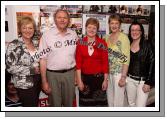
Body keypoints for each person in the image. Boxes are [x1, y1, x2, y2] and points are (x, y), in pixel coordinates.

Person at [39, 9, 78, 107]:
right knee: (55, 105)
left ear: (68, 20)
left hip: (70, 74)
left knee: (69, 104)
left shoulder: (73, 34)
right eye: (59, 17)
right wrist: (44, 81)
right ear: (55, 20)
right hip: (52, 75)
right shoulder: (47, 35)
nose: (62, 20)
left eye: (65, 17)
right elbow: (43, 59)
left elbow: (76, 56)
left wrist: (77, 76)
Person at [6, 16, 41, 107]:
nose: (27, 30)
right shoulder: (14, 45)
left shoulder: (36, 43)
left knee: (35, 105)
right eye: (24, 28)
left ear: (34, 29)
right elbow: (10, 67)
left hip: (38, 81)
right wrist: (32, 70)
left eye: (30, 28)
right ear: (20, 29)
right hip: (24, 84)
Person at [76, 18, 109, 106]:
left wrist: (105, 80)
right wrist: (79, 81)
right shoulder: (80, 42)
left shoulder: (102, 43)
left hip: (99, 80)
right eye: (89, 27)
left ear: (97, 30)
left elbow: (105, 63)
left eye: (94, 28)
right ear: (86, 28)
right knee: (85, 105)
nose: (91, 30)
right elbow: (78, 64)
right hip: (85, 79)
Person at [103, 15, 130, 107]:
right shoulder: (106, 37)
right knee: (110, 100)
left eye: (116, 23)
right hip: (108, 74)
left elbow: (126, 59)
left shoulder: (124, 38)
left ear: (120, 25)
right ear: (109, 24)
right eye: (112, 23)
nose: (114, 25)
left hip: (119, 74)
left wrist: (123, 77)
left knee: (118, 102)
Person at [126, 22, 154, 107]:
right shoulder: (128, 44)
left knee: (140, 107)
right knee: (131, 104)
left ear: (141, 32)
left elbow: (153, 63)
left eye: (137, 30)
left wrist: (148, 82)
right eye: (132, 30)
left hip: (142, 82)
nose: (134, 32)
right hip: (129, 80)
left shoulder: (148, 45)